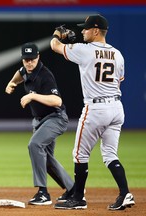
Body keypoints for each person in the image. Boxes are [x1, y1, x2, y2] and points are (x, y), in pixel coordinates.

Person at [50, 14, 135, 210]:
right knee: (110, 155)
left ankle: (78, 198)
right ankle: (125, 193)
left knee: (80, 154)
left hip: (96, 109)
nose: (82, 31)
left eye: (86, 28)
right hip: (116, 108)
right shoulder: (118, 54)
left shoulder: (84, 50)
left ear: (96, 31)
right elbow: (118, 79)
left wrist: (57, 34)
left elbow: (54, 46)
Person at [5, 42, 75, 205]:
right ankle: (73, 190)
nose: (29, 62)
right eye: (26, 59)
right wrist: (12, 83)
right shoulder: (25, 70)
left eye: (32, 59)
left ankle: (43, 193)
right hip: (40, 121)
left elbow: (57, 100)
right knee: (46, 158)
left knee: (35, 145)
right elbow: (20, 73)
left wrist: (33, 96)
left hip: (55, 118)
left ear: (38, 57)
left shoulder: (45, 75)